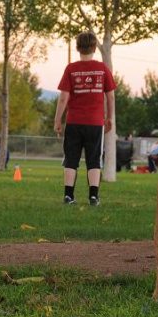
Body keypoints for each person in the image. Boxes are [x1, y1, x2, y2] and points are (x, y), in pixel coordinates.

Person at [54, 31, 116, 206]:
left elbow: (63, 98)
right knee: (94, 159)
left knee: (71, 159)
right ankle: (93, 197)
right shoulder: (103, 69)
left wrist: (57, 120)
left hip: (74, 122)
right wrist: (109, 118)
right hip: (95, 123)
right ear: (95, 48)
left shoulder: (71, 69)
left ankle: (68, 195)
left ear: (77, 47)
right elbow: (110, 97)